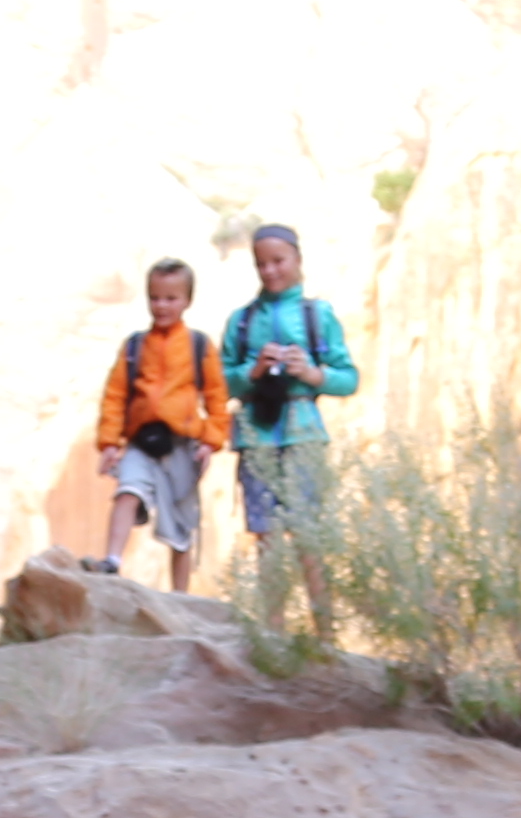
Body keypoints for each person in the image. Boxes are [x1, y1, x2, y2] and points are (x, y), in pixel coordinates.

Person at [215, 221, 361, 550]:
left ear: (297, 259)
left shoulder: (319, 315)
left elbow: (349, 378)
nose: (269, 271)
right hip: (256, 440)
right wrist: (252, 372)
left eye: (278, 261)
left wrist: (311, 374)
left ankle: (320, 604)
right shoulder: (241, 321)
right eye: (261, 264)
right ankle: (271, 604)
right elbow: (218, 385)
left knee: (309, 535)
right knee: (267, 540)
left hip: (304, 434)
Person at [88, 257, 229, 589]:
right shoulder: (136, 347)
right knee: (127, 491)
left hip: (182, 443)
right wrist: (110, 443)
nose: (162, 305)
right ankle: (112, 560)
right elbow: (116, 395)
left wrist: (211, 439)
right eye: (155, 298)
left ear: (187, 301)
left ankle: (180, 593)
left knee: (181, 521)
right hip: (140, 440)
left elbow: (216, 396)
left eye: (171, 298)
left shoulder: (198, 345)